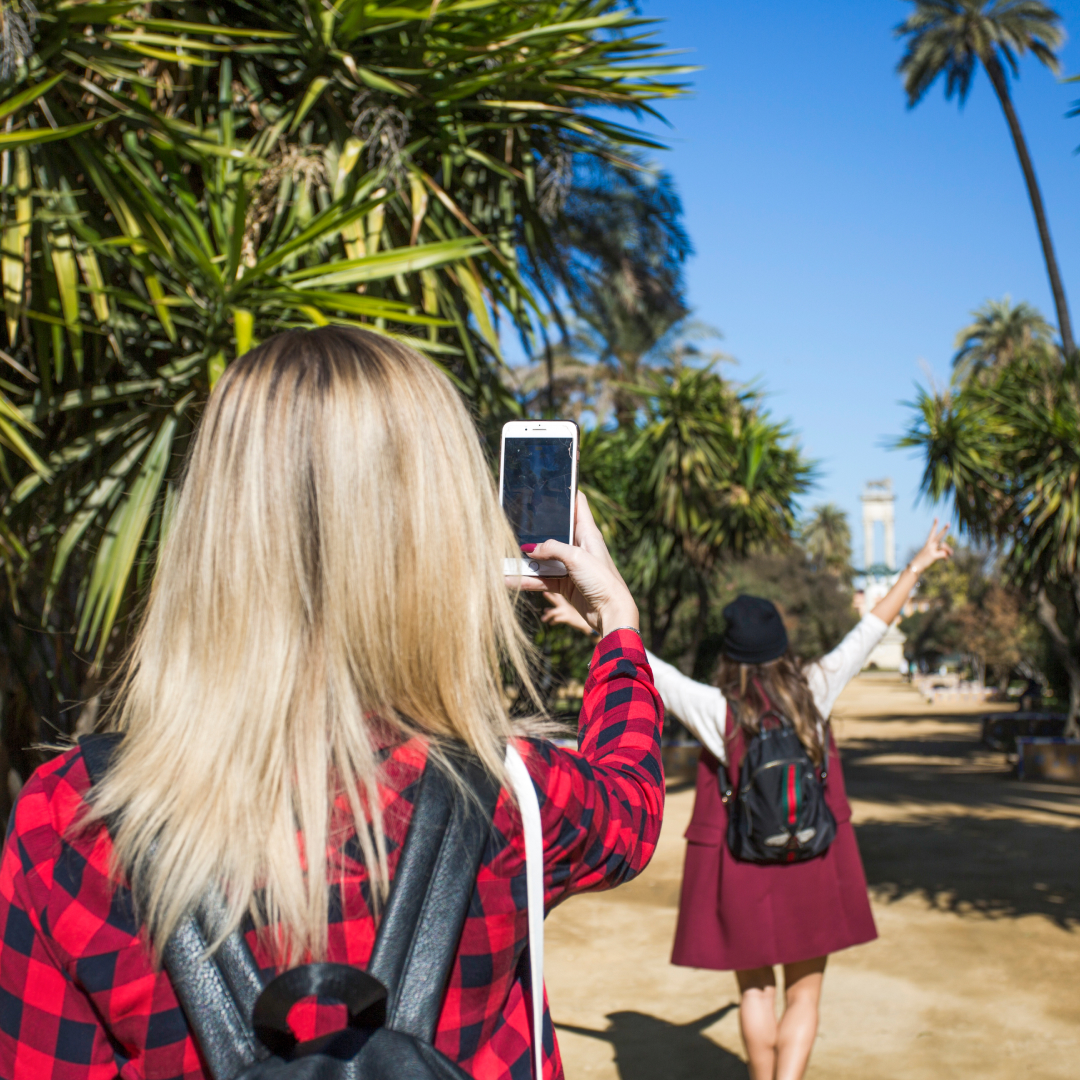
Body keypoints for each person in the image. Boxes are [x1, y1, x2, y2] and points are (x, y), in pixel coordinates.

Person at [0, 327, 664, 1080]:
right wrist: (617, 627)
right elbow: (632, 807)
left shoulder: (67, 820)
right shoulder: (515, 795)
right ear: (438, 533)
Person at [543, 522, 952, 1080]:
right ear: (782, 645)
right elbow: (872, 628)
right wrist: (917, 566)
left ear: (730, 653)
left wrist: (594, 623)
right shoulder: (815, 687)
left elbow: (655, 672)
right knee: (804, 997)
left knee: (755, 995)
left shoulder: (719, 710)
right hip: (812, 859)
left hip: (745, 864)